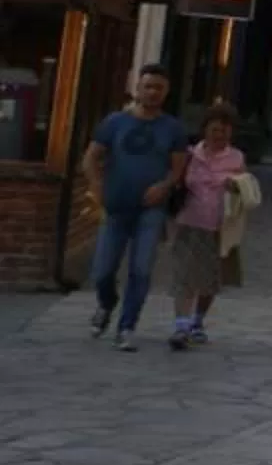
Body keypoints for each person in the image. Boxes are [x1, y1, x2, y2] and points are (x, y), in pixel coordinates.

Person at [84, 65, 191, 352]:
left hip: (150, 209)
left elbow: (178, 169)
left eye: (159, 87)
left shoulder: (173, 129)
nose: (153, 92)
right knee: (103, 270)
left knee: (141, 270)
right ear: (137, 88)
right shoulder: (115, 122)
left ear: (166, 92)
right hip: (117, 205)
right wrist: (96, 187)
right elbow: (91, 157)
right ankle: (106, 303)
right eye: (148, 86)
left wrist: (164, 186)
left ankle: (127, 326)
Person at [165, 103, 250, 350]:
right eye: (214, 129)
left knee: (210, 278)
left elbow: (248, 192)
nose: (219, 135)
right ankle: (181, 326)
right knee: (184, 274)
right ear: (205, 130)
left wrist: (237, 187)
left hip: (220, 227)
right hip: (189, 222)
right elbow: (175, 181)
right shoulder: (190, 154)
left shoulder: (236, 158)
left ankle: (197, 321)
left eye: (224, 130)